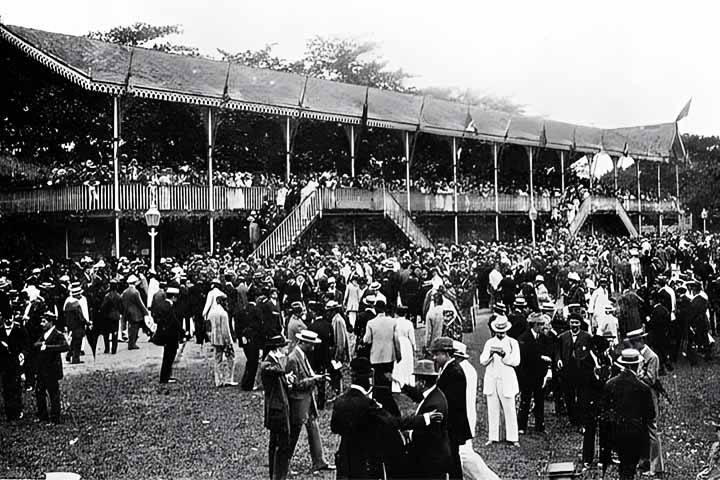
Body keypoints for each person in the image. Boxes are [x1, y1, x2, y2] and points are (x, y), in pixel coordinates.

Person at [331, 357, 393, 480]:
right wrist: (423, 419)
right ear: (368, 376)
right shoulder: (368, 403)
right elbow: (391, 422)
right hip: (365, 460)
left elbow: (335, 427)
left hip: (345, 457)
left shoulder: (340, 401)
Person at [285, 329, 334, 474]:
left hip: (307, 399)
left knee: (314, 428)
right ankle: (284, 464)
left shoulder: (302, 355)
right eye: (310, 344)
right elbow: (294, 384)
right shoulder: (293, 358)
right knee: (294, 433)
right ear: (303, 342)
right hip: (298, 401)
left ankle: (319, 461)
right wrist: (315, 379)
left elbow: (308, 375)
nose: (313, 348)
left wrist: (318, 377)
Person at [601, 348, 656, 480]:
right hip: (635, 434)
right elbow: (651, 414)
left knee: (624, 465)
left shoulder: (610, 384)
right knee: (630, 467)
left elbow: (604, 411)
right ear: (635, 365)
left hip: (616, 432)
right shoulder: (643, 388)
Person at [454, 341, 501, 480]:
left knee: (464, 456)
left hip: (463, 419)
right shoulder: (465, 368)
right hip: (465, 417)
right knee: (465, 457)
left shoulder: (461, 370)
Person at [401, 359, 452, 479]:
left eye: (416, 380)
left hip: (432, 460)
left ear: (422, 382)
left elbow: (429, 435)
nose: (415, 384)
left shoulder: (434, 403)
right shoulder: (433, 394)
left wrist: (410, 434)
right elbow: (417, 396)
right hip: (432, 457)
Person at [430, 336, 471, 479]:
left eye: (437, 354)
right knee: (451, 459)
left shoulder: (454, 372)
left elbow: (449, 402)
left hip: (452, 425)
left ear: (447, 354)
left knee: (453, 459)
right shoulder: (448, 369)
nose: (434, 358)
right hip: (451, 424)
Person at [627, 327, 665, 477]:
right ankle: (644, 460)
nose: (631, 346)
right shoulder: (639, 355)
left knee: (652, 430)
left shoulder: (652, 357)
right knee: (642, 429)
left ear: (640, 341)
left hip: (649, 396)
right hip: (640, 397)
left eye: (633, 343)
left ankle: (656, 466)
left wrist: (636, 376)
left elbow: (651, 379)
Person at [479, 315, 520, 446]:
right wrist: (491, 354)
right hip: (492, 377)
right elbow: (482, 360)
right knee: (492, 408)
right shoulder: (490, 343)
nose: (501, 334)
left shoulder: (512, 342)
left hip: (506, 378)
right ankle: (493, 436)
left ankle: (513, 438)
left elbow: (516, 361)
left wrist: (504, 356)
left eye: (503, 332)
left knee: (509, 408)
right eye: (498, 332)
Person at [260, 335, 293, 480]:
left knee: (276, 444)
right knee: (280, 445)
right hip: (277, 410)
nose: (286, 350)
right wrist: (284, 371)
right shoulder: (269, 363)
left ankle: (276, 474)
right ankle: (278, 475)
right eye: (284, 347)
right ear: (277, 349)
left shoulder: (274, 361)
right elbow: (268, 368)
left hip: (277, 408)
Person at [556, 314, 593, 426]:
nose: (574, 325)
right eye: (572, 323)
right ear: (569, 323)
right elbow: (557, 351)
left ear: (580, 324)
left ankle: (581, 419)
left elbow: (591, 353)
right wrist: (558, 360)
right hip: (568, 370)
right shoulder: (562, 337)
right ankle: (573, 418)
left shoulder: (587, 337)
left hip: (581, 370)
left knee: (582, 396)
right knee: (569, 395)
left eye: (576, 323)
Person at [517, 312, 551, 434]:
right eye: (540, 324)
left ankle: (539, 426)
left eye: (543, 324)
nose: (543, 327)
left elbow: (548, 353)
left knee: (540, 401)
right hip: (527, 375)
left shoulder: (544, 339)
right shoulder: (523, 339)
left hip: (539, 375)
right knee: (525, 401)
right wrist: (540, 357)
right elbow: (522, 359)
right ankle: (521, 426)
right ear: (534, 325)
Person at [33, 310, 69, 423]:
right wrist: (41, 345)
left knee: (53, 394)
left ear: (51, 322)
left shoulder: (58, 334)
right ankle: (42, 416)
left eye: (44, 322)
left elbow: (65, 347)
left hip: (52, 370)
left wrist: (48, 347)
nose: (41, 324)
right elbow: (35, 344)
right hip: (42, 370)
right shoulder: (43, 334)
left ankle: (55, 418)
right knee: (39, 393)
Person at [0, 312, 29, 420]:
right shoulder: (0, 330)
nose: (8, 320)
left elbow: (26, 346)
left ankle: (18, 410)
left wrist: (22, 354)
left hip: (16, 363)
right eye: (6, 318)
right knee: (6, 388)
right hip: (3, 364)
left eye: (10, 318)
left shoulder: (20, 330)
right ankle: (9, 412)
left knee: (16, 387)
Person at [153, 287, 183, 384]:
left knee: (167, 356)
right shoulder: (169, 307)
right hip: (171, 335)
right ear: (173, 297)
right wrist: (183, 332)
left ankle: (165, 376)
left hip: (164, 333)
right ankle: (165, 377)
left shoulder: (161, 305)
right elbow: (174, 321)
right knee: (169, 357)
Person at [208, 294, 237, 387]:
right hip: (223, 340)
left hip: (214, 339)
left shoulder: (211, 312)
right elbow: (226, 330)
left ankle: (218, 380)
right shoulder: (223, 313)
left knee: (217, 360)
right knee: (230, 359)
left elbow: (208, 327)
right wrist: (229, 341)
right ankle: (228, 379)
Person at [121, 274, 149, 350]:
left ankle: (131, 343)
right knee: (135, 329)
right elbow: (140, 303)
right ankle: (132, 344)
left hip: (127, 312)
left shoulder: (125, 292)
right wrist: (146, 312)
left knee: (130, 328)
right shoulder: (135, 292)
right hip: (136, 313)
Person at [391, 305, 416, 393]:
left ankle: (397, 383)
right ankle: (407, 382)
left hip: (397, 342)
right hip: (406, 343)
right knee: (407, 362)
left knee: (398, 364)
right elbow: (412, 337)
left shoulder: (394, 322)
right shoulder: (408, 323)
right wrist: (414, 347)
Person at [97, 278, 122, 354]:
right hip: (116, 317)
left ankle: (107, 348)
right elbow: (121, 307)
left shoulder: (107, 296)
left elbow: (103, 307)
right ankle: (114, 349)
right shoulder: (118, 296)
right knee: (115, 333)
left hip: (107, 317)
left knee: (106, 334)